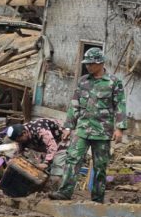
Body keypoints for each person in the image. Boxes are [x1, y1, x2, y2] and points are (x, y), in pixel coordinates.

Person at [50, 47, 126, 203]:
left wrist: (119, 128)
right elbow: (74, 105)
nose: (88, 66)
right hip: (82, 129)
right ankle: (65, 192)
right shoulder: (83, 81)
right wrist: (68, 126)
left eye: (91, 64)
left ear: (100, 63)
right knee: (73, 158)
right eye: (87, 64)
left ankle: (97, 198)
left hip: (102, 131)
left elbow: (120, 105)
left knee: (100, 166)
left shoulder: (113, 82)